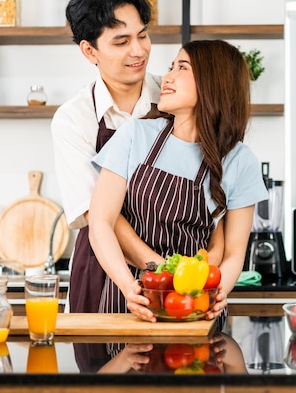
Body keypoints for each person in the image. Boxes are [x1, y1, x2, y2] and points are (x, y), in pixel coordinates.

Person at [88, 39, 269, 322]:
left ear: (213, 82)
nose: (167, 76)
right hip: (133, 298)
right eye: (171, 66)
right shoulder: (135, 135)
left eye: (181, 67)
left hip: (195, 303)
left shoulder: (240, 160)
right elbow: (100, 222)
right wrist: (128, 287)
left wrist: (219, 292)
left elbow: (234, 252)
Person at [51, 0, 173, 313]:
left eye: (143, 35)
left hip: (179, 262)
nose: (139, 50)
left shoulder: (176, 97)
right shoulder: (74, 119)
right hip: (104, 273)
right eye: (121, 41)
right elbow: (98, 214)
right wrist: (162, 271)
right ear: (89, 51)